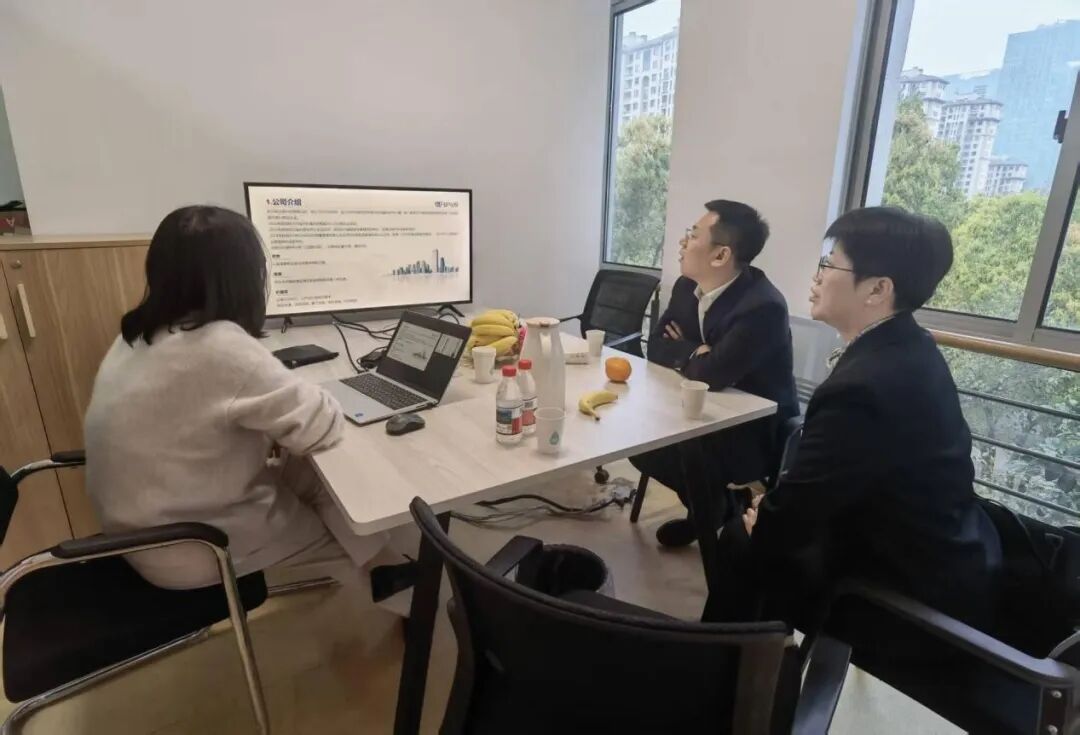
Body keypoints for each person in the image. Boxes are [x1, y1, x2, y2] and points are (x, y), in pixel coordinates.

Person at [84, 205, 396, 594]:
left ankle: (391, 567)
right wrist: (308, 391)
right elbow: (321, 427)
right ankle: (402, 588)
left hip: (139, 530)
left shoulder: (137, 335)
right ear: (244, 278)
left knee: (310, 474)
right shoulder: (218, 347)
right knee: (346, 531)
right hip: (193, 545)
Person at [740, 206, 1002, 630]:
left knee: (743, 542)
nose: (816, 276)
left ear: (878, 289)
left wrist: (765, 522)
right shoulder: (909, 345)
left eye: (829, 264)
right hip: (949, 549)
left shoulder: (864, 386)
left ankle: (733, 666)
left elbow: (800, 511)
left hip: (903, 584)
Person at [630, 200, 798, 547]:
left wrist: (691, 354)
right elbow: (657, 347)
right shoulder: (685, 287)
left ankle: (709, 512)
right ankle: (711, 508)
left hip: (752, 429)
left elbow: (713, 374)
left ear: (721, 255)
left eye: (693, 235)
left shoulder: (762, 306)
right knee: (637, 442)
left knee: (685, 453)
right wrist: (696, 351)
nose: (682, 242)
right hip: (701, 408)